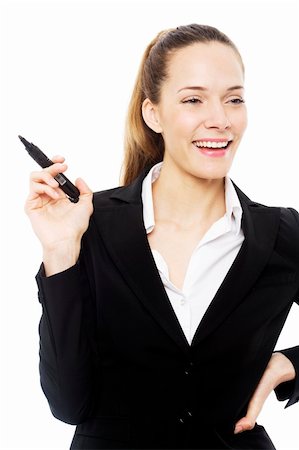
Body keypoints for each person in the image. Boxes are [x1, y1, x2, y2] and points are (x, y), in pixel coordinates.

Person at [25, 24, 299, 450]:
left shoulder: (281, 234)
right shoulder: (89, 225)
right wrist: (60, 253)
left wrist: (288, 363)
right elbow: (68, 403)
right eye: (193, 100)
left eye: (234, 99)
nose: (220, 119)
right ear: (153, 113)